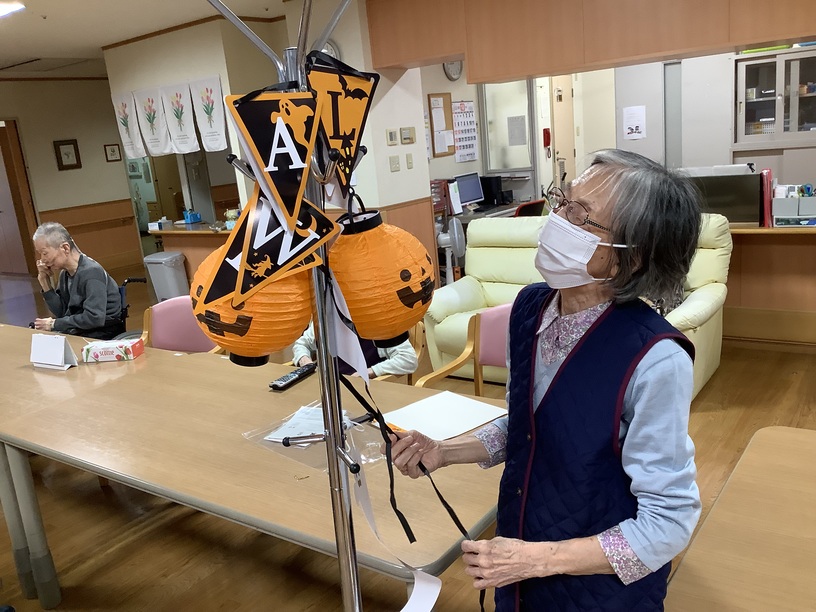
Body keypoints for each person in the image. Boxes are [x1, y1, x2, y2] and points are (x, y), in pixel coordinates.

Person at [390, 149, 702, 611]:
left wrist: (536, 560)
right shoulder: (531, 308)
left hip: (599, 588)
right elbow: (529, 424)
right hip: (521, 555)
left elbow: (669, 523)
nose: (555, 219)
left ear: (629, 258)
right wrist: (445, 451)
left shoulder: (655, 359)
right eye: (562, 200)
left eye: (580, 216)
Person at [32, 222, 125, 340]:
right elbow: (62, 313)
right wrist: (44, 282)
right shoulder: (65, 274)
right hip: (81, 330)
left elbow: (94, 318)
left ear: (65, 248)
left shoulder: (92, 272)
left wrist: (54, 324)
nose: (42, 260)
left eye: (45, 253)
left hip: (103, 333)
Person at [292, 321, 418, 379]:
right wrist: (306, 363)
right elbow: (302, 345)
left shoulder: (380, 322)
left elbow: (408, 359)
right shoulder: (327, 318)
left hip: (363, 390)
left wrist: (369, 372)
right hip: (325, 386)